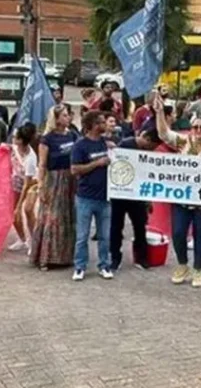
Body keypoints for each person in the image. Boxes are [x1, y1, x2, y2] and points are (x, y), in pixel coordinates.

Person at [154, 94, 201, 288]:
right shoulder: (184, 142)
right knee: (178, 233)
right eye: (195, 127)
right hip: (182, 197)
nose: (199, 131)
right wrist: (159, 112)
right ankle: (182, 265)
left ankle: (198, 270)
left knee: (200, 235)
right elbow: (164, 134)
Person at [29, 105, 79, 270]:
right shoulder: (47, 139)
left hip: (70, 178)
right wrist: (41, 184)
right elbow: (42, 164)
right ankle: (45, 256)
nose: (68, 118)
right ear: (56, 119)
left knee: (68, 216)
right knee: (52, 218)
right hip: (54, 178)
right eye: (64, 116)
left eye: (68, 115)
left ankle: (65, 256)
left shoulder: (72, 135)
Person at [110, 127, 161, 271]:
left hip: (138, 195)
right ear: (148, 140)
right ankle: (115, 256)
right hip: (120, 193)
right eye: (153, 146)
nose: (153, 150)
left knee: (140, 227)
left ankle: (142, 257)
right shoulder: (125, 145)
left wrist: (148, 199)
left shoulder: (147, 152)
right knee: (116, 227)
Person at [70, 110, 113, 281]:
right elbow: (74, 169)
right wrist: (97, 163)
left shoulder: (107, 144)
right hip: (85, 197)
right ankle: (80, 266)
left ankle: (104, 265)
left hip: (105, 198)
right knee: (82, 236)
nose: (105, 125)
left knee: (105, 236)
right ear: (93, 126)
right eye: (102, 122)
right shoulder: (80, 146)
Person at [8, 124, 39, 253]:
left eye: (15, 137)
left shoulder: (30, 159)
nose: (13, 138)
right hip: (17, 180)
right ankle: (22, 240)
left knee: (28, 210)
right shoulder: (14, 148)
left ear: (21, 140)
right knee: (12, 213)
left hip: (32, 182)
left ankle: (33, 241)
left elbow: (27, 183)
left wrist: (19, 204)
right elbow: (8, 147)